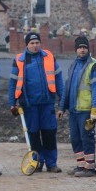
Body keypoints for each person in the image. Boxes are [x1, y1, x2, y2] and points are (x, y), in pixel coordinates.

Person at [9, 31, 64, 173]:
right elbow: (13, 83)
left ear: (40, 43)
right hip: (29, 104)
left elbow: (58, 79)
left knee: (49, 133)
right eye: (32, 43)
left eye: (37, 43)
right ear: (27, 45)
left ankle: (51, 163)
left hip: (47, 103)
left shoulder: (49, 57)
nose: (35, 46)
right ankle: (37, 161)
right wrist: (12, 102)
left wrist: (62, 98)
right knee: (33, 134)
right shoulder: (19, 60)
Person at [58, 36, 96, 177]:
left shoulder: (94, 66)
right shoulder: (73, 65)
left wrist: (95, 111)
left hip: (86, 110)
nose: (82, 50)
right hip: (73, 110)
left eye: (84, 47)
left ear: (88, 49)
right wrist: (61, 107)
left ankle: (90, 168)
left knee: (86, 138)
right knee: (75, 139)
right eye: (79, 47)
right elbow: (67, 88)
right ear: (76, 49)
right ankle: (80, 165)